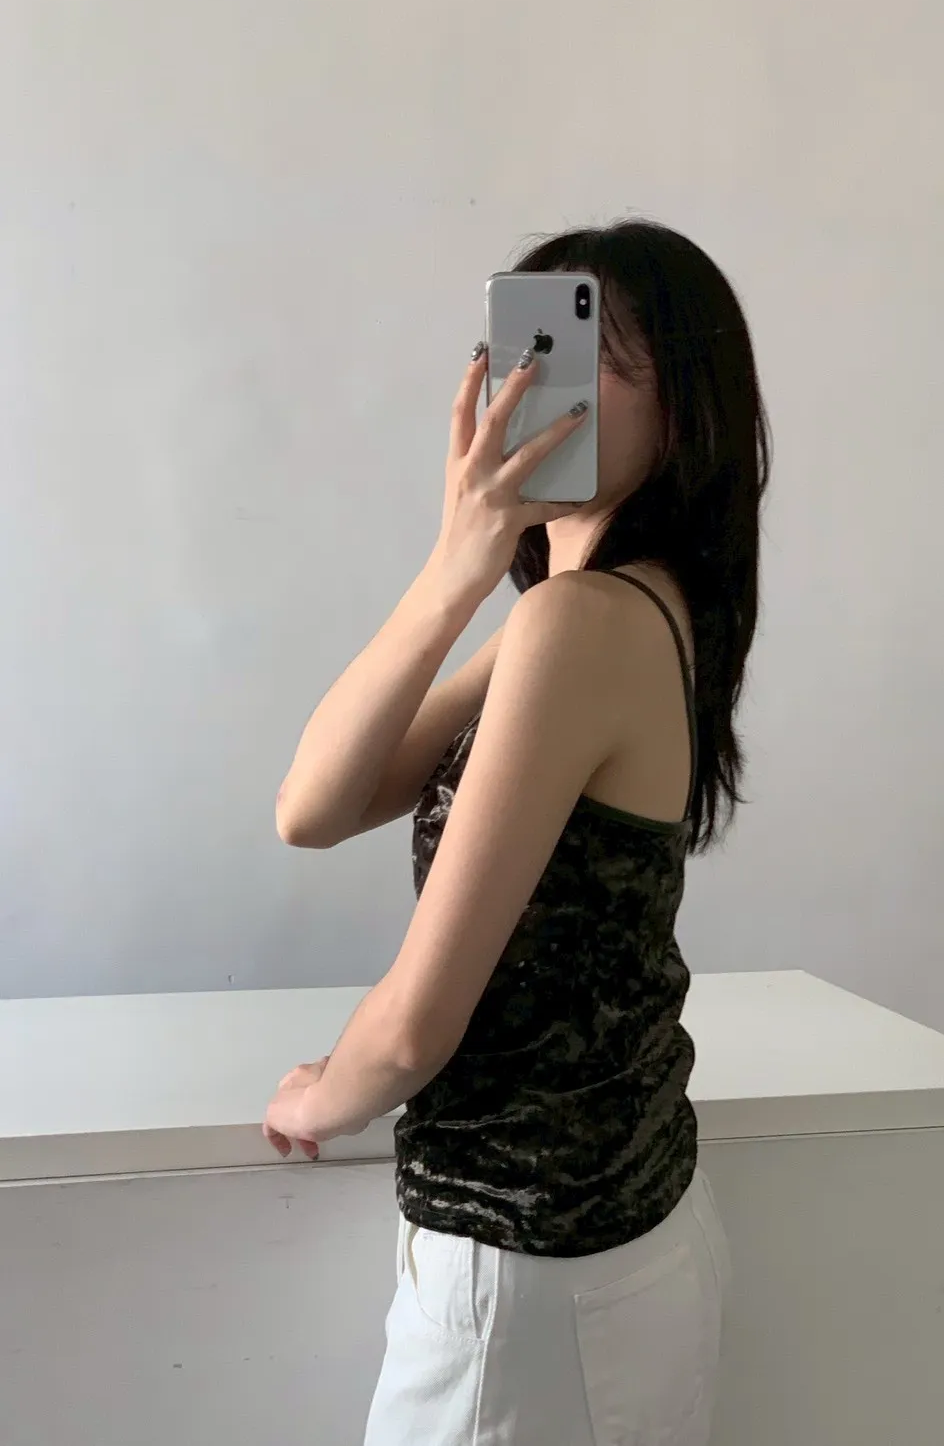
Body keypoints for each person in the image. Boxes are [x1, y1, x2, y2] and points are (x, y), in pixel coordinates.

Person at [262, 219, 770, 1445]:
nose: (536, 382)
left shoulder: (578, 628)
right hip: (618, 1237)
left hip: (529, 1278)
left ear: (684, 408)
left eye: (590, 352)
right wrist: (460, 560)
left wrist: (322, 1096)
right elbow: (314, 805)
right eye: (521, 347)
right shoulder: (618, 609)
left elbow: (414, 1027)